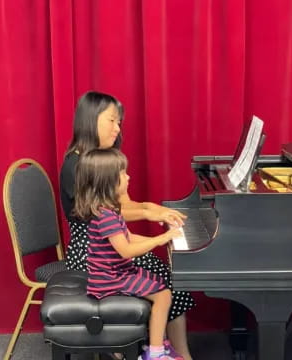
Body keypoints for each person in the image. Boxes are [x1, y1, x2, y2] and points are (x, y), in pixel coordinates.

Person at [60, 91, 195, 360]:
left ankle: (169, 349)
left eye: (119, 122)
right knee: (166, 276)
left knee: (170, 275)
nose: (117, 128)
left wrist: (149, 209)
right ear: (91, 120)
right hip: (91, 253)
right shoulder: (75, 166)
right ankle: (148, 350)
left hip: (111, 245)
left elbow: (125, 205)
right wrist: (148, 211)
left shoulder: (105, 158)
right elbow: (106, 214)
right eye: (112, 120)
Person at [74, 148, 182, 360]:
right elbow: (126, 249)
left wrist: (166, 239)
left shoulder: (107, 210)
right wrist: (159, 240)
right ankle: (156, 352)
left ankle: (159, 343)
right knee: (163, 295)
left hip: (116, 272)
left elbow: (129, 237)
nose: (128, 177)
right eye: (123, 174)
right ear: (109, 182)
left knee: (159, 281)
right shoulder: (106, 216)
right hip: (109, 279)